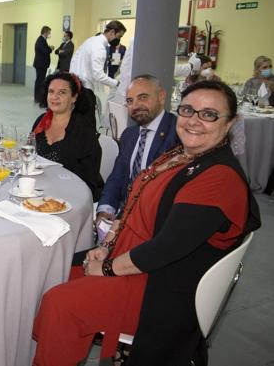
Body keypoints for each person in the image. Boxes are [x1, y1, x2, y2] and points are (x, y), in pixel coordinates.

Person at [32, 80, 261, 366]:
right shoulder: (181, 154)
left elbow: (166, 248)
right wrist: (107, 246)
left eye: (209, 114)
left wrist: (106, 268)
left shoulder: (218, 178)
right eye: (188, 110)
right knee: (52, 269)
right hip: (136, 259)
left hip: (162, 284)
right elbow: (134, 203)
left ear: (230, 123)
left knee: (60, 302)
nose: (194, 121)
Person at [96, 75, 179, 240]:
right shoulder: (130, 134)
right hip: (122, 215)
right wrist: (106, 210)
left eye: (143, 97)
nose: (135, 106)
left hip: (151, 226)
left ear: (161, 96)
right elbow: (117, 177)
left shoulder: (177, 134)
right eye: (130, 101)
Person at [31, 73, 104, 201]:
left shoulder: (84, 131)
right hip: (42, 190)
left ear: (74, 97)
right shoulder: (41, 122)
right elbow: (31, 154)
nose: (54, 97)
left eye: (62, 92)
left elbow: (87, 178)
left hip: (73, 195)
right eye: (51, 91)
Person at [69, 21, 126, 121]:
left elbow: (74, 60)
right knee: (86, 123)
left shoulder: (90, 41)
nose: (119, 40)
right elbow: (98, 75)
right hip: (84, 90)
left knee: (75, 120)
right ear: (112, 32)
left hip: (75, 85)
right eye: (119, 36)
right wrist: (116, 83)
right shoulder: (99, 48)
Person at [33, 26, 53, 102]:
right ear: (45, 32)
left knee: (41, 80)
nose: (49, 34)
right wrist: (50, 48)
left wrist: (48, 48)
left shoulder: (43, 40)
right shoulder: (40, 40)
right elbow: (45, 51)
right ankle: (37, 97)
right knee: (39, 81)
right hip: (40, 64)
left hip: (42, 64)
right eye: (49, 33)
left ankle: (39, 97)